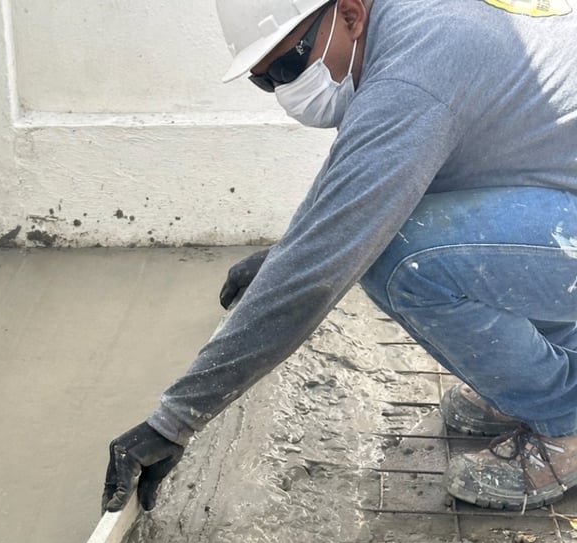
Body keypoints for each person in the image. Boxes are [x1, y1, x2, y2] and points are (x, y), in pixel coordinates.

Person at [103, 0, 577, 515]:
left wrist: (174, 421)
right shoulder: (416, 29)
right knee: (424, 227)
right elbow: (357, 179)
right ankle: (546, 380)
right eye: (267, 81)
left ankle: (566, 422)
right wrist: (286, 253)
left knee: (398, 259)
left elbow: (326, 263)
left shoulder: (415, 77)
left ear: (350, 15)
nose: (287, 91)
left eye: (289, 66)